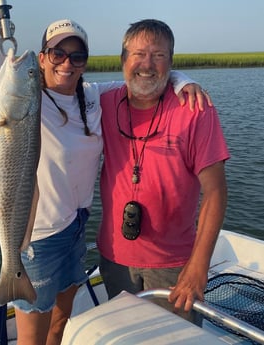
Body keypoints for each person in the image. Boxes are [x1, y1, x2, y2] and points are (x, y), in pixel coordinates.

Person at [0, 1, 212, 343]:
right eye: (56, 53)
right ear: (41, 58)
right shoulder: (22, 96)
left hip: (76, 229)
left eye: (77, 56)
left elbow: (143, 76)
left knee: (61, 322)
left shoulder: (95, 96)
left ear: (85, 63)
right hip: (36, 236)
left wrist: (184, 80)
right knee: (32, 336)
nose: (67, 63)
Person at [97, 18, 230, 325]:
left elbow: (216, 191)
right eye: (138, 54)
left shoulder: (196, 109)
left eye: (159, 55)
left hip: (174, 265)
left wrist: (198, 267)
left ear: (171, 63)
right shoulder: (102, 103)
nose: (147, 64)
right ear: (122, 60)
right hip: (115, 257)